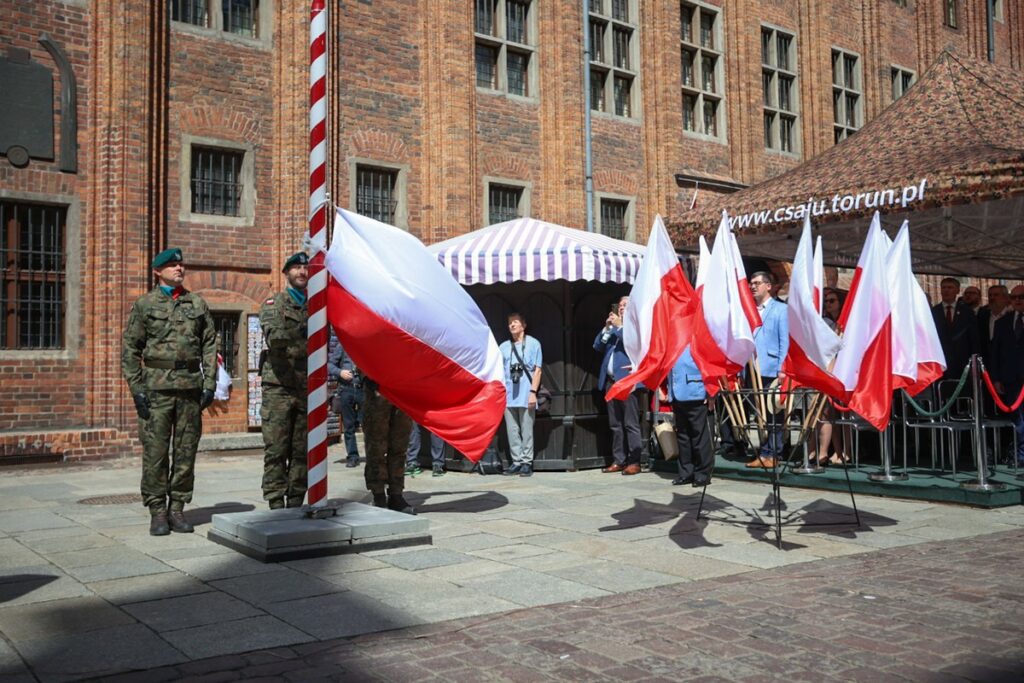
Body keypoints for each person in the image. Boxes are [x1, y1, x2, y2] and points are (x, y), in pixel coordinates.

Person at [121, 248, 216, 536]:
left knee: (186, 452)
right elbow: (130, 349)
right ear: (157, 271)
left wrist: (209, 383)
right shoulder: (145, 305)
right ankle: (157, 511)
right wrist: (137, 388)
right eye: (172, 265)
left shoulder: (196, 303)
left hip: (189, 390)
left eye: (180, 264)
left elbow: (210, 344)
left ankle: (177, 508)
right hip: (156, 390)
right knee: (156, 453)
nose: (179, 268)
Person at [259, 252, 310, 509]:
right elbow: (274, 336)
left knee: (302, 449)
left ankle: (297, 499)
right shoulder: (274, 304)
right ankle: (276, 501)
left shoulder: (318, 306)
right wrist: (298, 333)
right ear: (286, 273)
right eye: (297, 268)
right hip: (279, 386)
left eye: (305, 267)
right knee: (277, 448)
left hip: (307, 387)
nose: (302, 271)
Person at [594, 296, 643, 475]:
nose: (621, 308)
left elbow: (634, 344)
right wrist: (608, 327)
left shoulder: (634, 327)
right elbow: (598, 345)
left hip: (627, 381)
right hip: (611, 382)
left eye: (625, 305)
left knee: (630, 423)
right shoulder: (614, 328)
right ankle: (619, 459)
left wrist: (620, 327)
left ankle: (635, 460)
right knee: (615, 423)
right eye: (619, 305)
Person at [746, 271, 788, 468]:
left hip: (771, 368)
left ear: (768, 286)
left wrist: (782, 368)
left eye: (757, 283)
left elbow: (784, 341)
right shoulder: (749, 310)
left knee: (774, 413)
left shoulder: (780, 310)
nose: (753, 286)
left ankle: (774, 453)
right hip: (752, 369)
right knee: (760, 414)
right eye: (751, 283)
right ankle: (764, 451)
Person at [362, 376, 416, 513]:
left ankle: (396, 494)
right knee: (376, 448)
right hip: (378, 389)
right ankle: (378, 494)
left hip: (403, 390)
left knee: (399, 447)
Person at [498, 312, 543, 477]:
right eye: (509, 323)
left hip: (526, 394)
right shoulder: (503, 347)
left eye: (515, 322)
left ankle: (526, 462)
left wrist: (533, 392)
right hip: (508, 395)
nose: (512, 325)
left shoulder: (533, 344)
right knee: (512, 430)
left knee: (527, 430)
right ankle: (516, 461)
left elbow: (538, 370)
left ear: (523, 325)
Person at [989, 284, 1024, 467]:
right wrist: (995, 378)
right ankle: (1020, 455)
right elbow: (995, 352)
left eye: (1022, 297)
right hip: (1010, 379)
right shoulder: (1003, 322)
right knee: (1018, 420)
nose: (1017, 300)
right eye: (1014, 297)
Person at [668, 345, 713, 487]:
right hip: (677, 392)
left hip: (696, 391)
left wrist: (711, 392)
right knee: (683, 436)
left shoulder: (697, 338)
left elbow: (710, 365)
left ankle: (702, 473)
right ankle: (686, 472)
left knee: (699, 436)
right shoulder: (673, 339)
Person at [930, 277, 979, 381]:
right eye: (944, 288)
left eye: (950, 287)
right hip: (941, 364)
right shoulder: (933, 312)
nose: (946, 290)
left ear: (957, 290)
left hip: (962, 364)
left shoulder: (967, 312)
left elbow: (974, 340)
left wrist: (974, 365)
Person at [328, 334, 363, 468]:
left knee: (368, 425)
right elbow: (330, 364)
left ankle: (373, 456)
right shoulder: (343, 345)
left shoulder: (367, 347)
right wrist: (340, 372)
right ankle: (352, 456)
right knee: (349, 426)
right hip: (347, 389)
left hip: (363, 389)